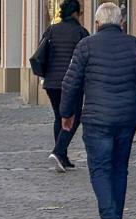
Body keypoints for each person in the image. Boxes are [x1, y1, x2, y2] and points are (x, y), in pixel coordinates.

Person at [60, 2, 136, 219]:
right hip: (126, 118)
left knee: (100, 168)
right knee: (119, 168)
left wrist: (66, 114)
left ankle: (110, 218)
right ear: (122, 23)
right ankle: (115, 216)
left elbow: (70, 82)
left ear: (97, 23)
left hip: (96, 119)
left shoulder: (86, 46)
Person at [41, 0, 89, 172]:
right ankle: (59, 151)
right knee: (73, 118)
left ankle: (62, 156)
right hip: (72, 83)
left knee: (59, 117)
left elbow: (42, 53)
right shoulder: (81, 32)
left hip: (52, 83)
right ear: (75, 13)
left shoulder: (51, 30)